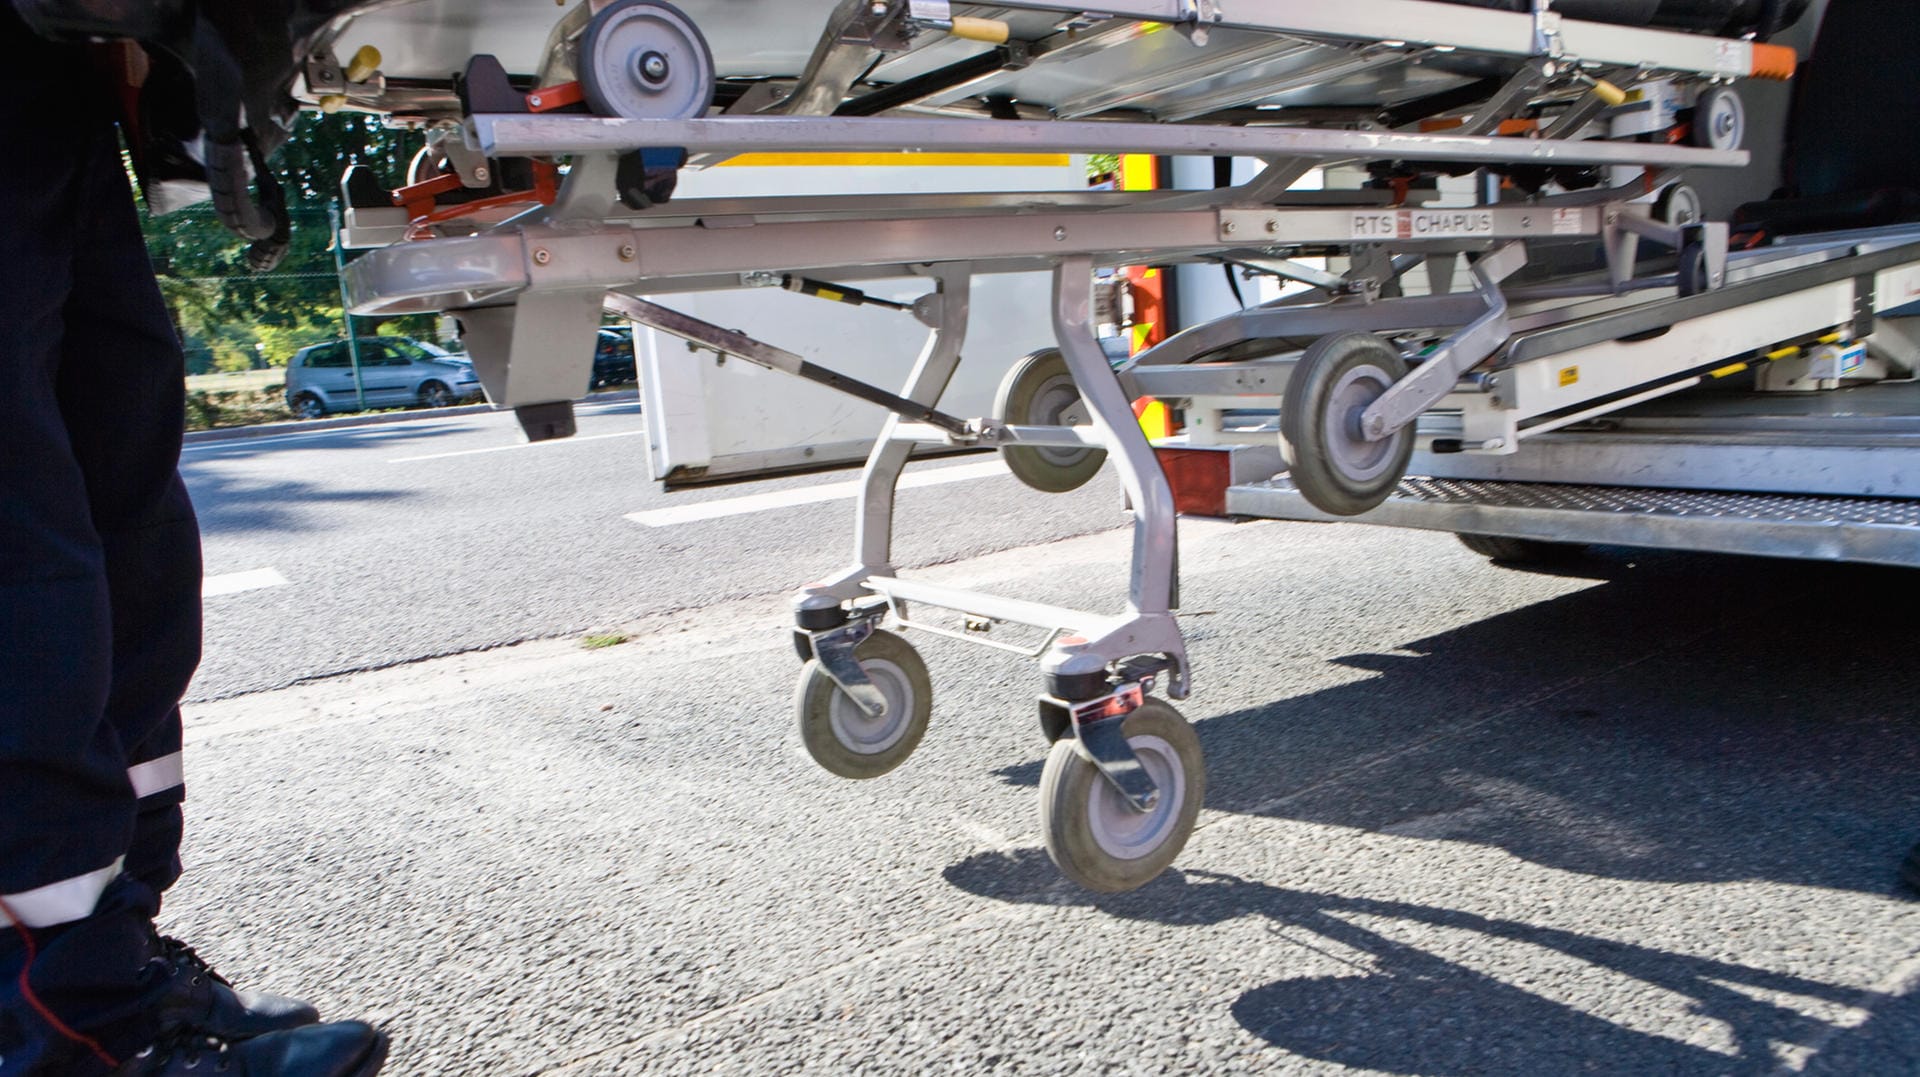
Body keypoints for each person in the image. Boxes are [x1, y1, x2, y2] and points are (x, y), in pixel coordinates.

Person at [0, 7, 386, 1075]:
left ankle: (113, 945)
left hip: (45, 61)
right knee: (22, 528)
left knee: (121, 494)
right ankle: (57, 1005)